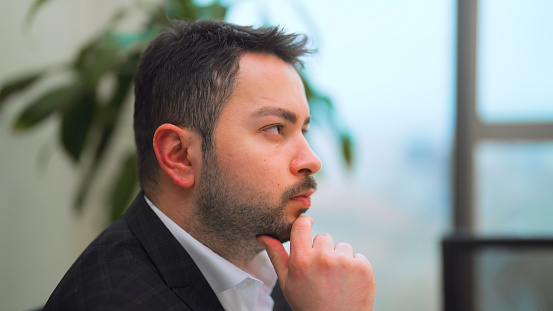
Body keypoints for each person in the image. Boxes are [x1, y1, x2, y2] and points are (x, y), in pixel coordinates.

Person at [43, 19, 375, 311]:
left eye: (303, 129)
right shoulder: (117, 301)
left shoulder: (278, 275)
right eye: (275, 128)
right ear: (180, 155)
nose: (312, 160)